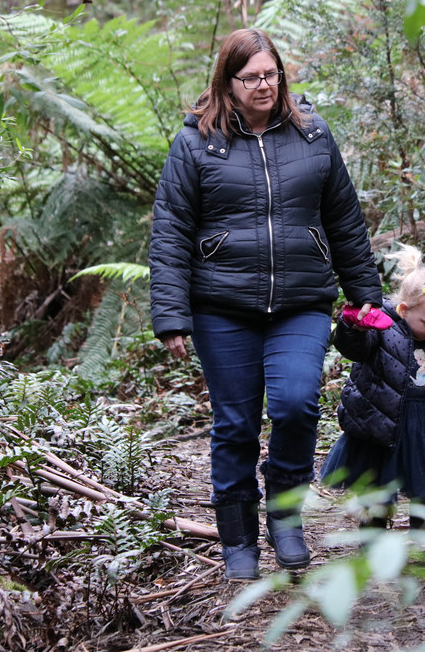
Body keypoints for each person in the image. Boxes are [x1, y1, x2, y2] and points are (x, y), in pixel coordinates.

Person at [149, 28, 384, 580]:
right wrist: (171, 316)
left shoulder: (313, 135)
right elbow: (171, 231)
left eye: (270, 75)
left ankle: (284, 516)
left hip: (303, 300)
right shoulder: (195, 143)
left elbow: (346, 224)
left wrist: (368, 300)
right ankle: (237, 540)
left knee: (298, 404)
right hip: (220, 307)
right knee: (235, 423)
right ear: (226, 83)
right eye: (251, 77)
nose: (263, 85)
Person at [320, 245, 425, 531]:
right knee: (378, 475)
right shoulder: (382, 326)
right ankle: (373, 523)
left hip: (424, 417)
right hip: (381, 416)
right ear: (404, 309)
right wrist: (354, 326)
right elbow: (354, 348)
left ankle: (423, 525)